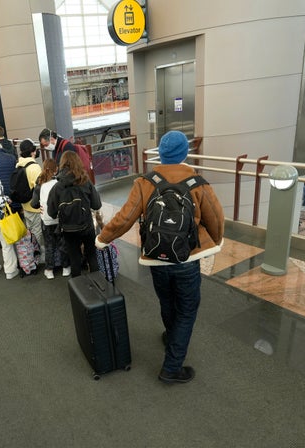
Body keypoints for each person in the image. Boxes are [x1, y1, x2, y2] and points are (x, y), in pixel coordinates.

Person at [95, 130, 224, 384]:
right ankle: (172, 367)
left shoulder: (146, 182)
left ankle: (171, 334)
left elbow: (125, 217)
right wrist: (215, 240)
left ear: (161, 155)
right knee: (187, 309)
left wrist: (103, 239)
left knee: (167, 301)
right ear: (185, 153)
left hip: (155, 258)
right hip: (186, 259)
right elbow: (216, 221)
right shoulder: (198, 183)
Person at [47, 151, 101, 278]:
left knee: (74, 259)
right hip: (87, 226)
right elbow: (97, 205)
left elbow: (51, 213)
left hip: (68, 229)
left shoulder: (57, 187)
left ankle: (79, 292)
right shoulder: (85, 181)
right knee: (92, 256)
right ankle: (99, 287)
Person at [31, 158, 70, 279]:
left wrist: (41, 207)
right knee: (63, 244)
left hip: (46, 220)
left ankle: (49, 270)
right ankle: (65, 268)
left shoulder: (40, 184)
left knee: (49, 245)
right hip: (59, 219)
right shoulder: (59, 183)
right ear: (56, 169)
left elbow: (34, 204)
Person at [16, 139, 45, 262]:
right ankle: (38, 257)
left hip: (25, 205)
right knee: (38, 233)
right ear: (33, 152)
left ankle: (30, 254)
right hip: (35, 206)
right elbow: (40, 187)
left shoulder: (19, 165)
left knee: (30, 231)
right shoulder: (34, 167)